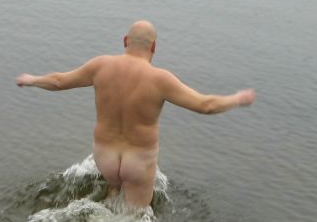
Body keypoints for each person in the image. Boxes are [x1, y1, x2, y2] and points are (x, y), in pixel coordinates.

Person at [16, 20, 255, 210]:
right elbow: (206, 105)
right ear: (154, 47)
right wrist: (237, 99)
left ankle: (110, 194)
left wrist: (32, 80)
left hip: (104, 157)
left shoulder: (100, 66)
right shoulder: (160, 80)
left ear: (125, 41)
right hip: (138, 162)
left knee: (112, 194)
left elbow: (59, 81)